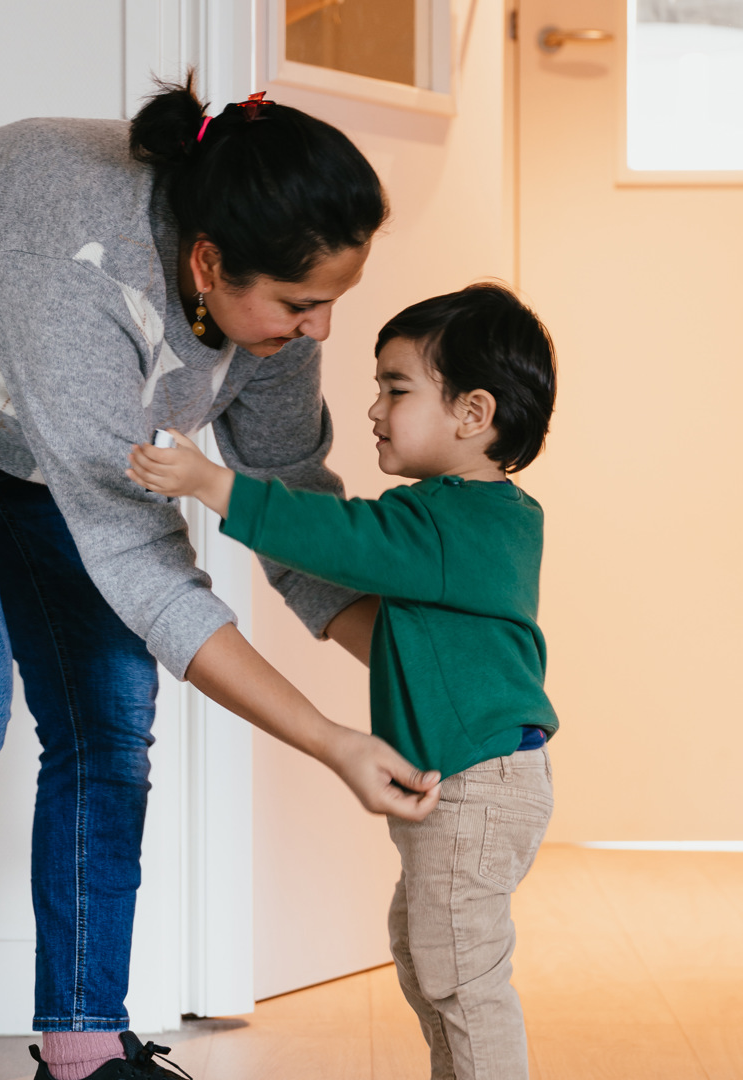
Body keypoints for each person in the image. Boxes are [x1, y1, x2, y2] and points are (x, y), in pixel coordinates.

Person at [0, 74, 442, 1080]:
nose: (322, 332)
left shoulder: (272, 307)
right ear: (208, 262)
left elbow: (286, 496)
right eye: (303, 305)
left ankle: (84, 1043)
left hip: (24, 422)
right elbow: (135, 555)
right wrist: (331, 740)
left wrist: (425, 663)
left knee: (108, 711)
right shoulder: (78, 251)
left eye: (333, 302)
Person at [128, 282, 559, 1080]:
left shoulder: (449, 519)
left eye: (395, 389)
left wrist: (209, 482)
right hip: (473, 778)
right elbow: (394, 623)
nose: (372, 411)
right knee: (428, 956)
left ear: (472, 414)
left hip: (477, 782)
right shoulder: (478, 522)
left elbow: (338, 536)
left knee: (460, 974)